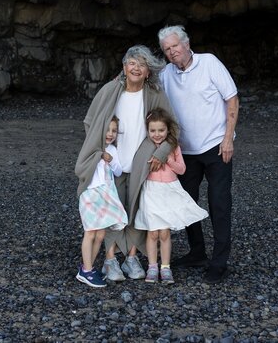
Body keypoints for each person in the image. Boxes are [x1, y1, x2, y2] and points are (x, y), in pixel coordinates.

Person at [74, 45, 174, 282]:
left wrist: (161, 153)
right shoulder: (110, 90)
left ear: (148, 71)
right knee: (111, 210)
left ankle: (131, 257)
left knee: (137, 209)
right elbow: (91, 121)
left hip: (143, 162)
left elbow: (172, 128)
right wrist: (102, 149)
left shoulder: (155, 94)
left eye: (142, 64)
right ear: (124, 67)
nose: (136, 68)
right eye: (132, 63)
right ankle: (110, 260)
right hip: (113, 162)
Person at [157, 25, 239, 284]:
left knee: (219, 203)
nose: (172, 52)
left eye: (175, 46)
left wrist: (228, 139)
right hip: (186, 152)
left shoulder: (209, 63)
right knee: (187, 204)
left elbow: (232, 99)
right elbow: (147, 86)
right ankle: (197, 252)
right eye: (167, 49)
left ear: (187, 43)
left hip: (216, 147)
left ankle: (219, 261)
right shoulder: (167, 74)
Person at [133, 108, 209, 284]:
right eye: (153, 130)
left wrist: (167, 159)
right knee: (152, 232)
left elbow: (181, 169)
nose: (157, 134)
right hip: (151, 191)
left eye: (161, 130)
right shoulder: (145, 146)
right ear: (147, 130)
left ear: (168, 130)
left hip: (168, 191)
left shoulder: (173, 147)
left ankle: (165, 267)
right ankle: (152, 267)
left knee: (164, 233)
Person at [75, 116, 129, 288]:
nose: (110, 134)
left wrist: (110, 159)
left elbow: (119, 171)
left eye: (114, 131)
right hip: (90, 194)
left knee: (100, 234)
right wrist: (98, 155)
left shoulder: (112, 150)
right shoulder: (91, 148)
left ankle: (86, 267)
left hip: (106, 194)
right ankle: (88, 271)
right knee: (90, 232)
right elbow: (80, 169)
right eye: (107, 130)